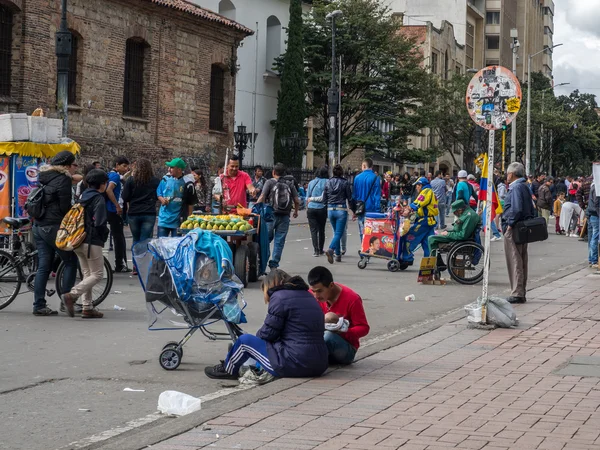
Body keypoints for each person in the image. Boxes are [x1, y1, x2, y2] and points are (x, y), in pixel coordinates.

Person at [204, 269, 328, 380]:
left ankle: (228, 370)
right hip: (319, 363)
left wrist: (256, 343)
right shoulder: (309, 296)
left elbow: (268, 333)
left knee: (244, 341)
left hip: (294, 364)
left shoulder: (279, 297)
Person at [31, 151, 79, 316]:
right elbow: (64, 207)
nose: (76, 167)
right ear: (66, 166)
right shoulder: (63, 179)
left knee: (43, 266)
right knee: (71, 261)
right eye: (74, 164)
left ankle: (39, 305)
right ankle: (67, 300)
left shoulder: (44, 176)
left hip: (39, 225)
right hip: (53, 226)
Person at [61, 170, 110, 319]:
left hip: (77, 239)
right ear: (102, 184)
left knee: (87, 274)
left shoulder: (82, 196)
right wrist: (104, 235)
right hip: (91, 240)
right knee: (98, 274)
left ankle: (87, 307)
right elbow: (100, 222)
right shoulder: (98, 199)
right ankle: (72, 295)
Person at [308, 266, 370, 365]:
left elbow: (364, 328)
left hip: (345, 348)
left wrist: (343, 331)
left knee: (328, 336)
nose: (316, 296)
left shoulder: (352, 299)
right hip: (320, 341)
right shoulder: (311, 295)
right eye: (313, 291)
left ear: (331, 285)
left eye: (319, 291)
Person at [502, 162, 535, 304]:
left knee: (515, 259)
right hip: (523, 227)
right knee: (521, 259)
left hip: (515, 227)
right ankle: (520, 291)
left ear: (511, 174)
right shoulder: (525, 186)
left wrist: (510, 224)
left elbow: (516, 208)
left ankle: (517, 292)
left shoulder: (515, 188)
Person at [256, 163, 299, 270]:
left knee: (266, 239)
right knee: (279, 241)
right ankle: (274, 264)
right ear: (284, 173)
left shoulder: (269, 182)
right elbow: (297, 200)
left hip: (271, 215)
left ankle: (263, 261)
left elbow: (262, 196)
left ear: (273, 172)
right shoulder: (289, 184)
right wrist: (296, 211)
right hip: (285, 216)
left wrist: (256, 208)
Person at [400, 177, 438, 264]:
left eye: (417, 186)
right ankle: (430, 263)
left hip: (424, 221)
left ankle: (407, 258)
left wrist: (408, 209)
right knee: (428, 243)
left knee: (409, 237)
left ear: (420, 185)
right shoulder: (430, 191)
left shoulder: (426, 191)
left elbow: (418, 203)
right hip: (429, 221)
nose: (416, 188)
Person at [122, 158, 159, 245]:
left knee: (136, 239)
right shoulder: (155, 181)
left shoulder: (131, 180)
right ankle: (145, 258)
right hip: (149, 212)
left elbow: (125, 197)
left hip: (134, 212)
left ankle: (136, 258)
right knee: (145, 240)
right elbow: (158, 195)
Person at [323, 165, 356, 264]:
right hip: (341, 209)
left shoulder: (328, 182)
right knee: (339, 233)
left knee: (335, 232)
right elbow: (349, 199)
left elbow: (324, 198)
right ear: (342, 173)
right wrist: (353, 210)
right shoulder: (345, 183)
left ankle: (338, 255)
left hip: (330, 210)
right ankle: (331, 249)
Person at [106, 156, 130, 272]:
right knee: (118, 237)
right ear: (117, 165)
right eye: (124, 166)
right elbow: (109, 190)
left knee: (116, 237)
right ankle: (119, 263)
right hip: (113, 210)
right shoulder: (114, 176)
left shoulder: (110, 175)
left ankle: (119, 263)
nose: (125, 169)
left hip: (109, 209)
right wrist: (117, 205)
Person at [156, 158, 187, 237]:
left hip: (177, 220)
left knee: (175, 245)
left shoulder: (185, 182)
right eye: (169, 167)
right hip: (164, 219)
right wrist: (162, 199)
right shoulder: (165, 179)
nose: (169, 169)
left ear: (179, 170)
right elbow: (159, 193)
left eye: (172, 167)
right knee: (161, 245)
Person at [353, 159, 381, 242]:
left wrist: (354, 210)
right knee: (371, 230)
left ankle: (363, 248)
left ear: (364, 166)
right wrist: (378, 210)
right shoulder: (376, 178)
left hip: (360, 208)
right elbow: (377, 196)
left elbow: (354, 195)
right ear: (371, 167)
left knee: (362, 230)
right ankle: (369, 247)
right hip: (371, 208)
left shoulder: (357, 178)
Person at [306, 166, 329, 257]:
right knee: (321, 230)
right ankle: (320, 249)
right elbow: (325, 197)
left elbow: (307, 197)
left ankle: (315, 250)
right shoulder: (327, 182)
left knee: (313, 230)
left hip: (311, 208)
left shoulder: (311, 183)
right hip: (322, 208)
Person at [587, 184, 599, 269]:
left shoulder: (594, 186)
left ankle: (592, 259)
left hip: (593, 214)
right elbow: (596, 203)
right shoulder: (597, 188)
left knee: (593, 237)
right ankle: (593, 259)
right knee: (595, 237)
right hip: (596, 215)